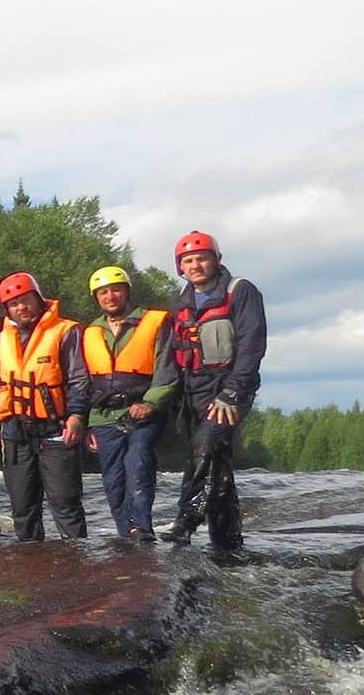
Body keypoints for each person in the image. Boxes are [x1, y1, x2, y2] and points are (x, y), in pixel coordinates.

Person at [163, 230, 266, 553]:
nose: (195, 265)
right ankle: (227, 540)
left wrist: (232, 391)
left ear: (216, 260)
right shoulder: (179, 303)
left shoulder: (241, 291)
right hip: (193, 390)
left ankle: (185, 522)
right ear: (181, 268)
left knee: (205, 447)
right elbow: (170, 356)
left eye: (202, 258)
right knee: (216, 461)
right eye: (188, 261)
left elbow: (252, 345)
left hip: (229, 386)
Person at [0, 271, 89, 541]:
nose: (21, 308)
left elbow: (79, 379)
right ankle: (30, 571)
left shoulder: (66, 331)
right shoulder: (0, 341)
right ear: (7, 309)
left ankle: (78, 569)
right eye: (14, 304)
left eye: (26, 300)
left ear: (39, 300)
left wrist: (77, 416)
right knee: (23, 508)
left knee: (65, 505)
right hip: (16, 432)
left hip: (56, 429)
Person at [79, 265, 178, 541]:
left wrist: (151, 402)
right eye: (103, 292)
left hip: (143, 412)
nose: (110, 296)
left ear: (127, 292)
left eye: (116, 290)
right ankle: (127, 533)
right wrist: (85, 422)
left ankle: (141, 527)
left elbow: (167, 369)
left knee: (138, 460)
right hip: (103, 416)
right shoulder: (89, 332)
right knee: (113, 479)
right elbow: (81, 382)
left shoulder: (155, 322)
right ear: (96, 298)